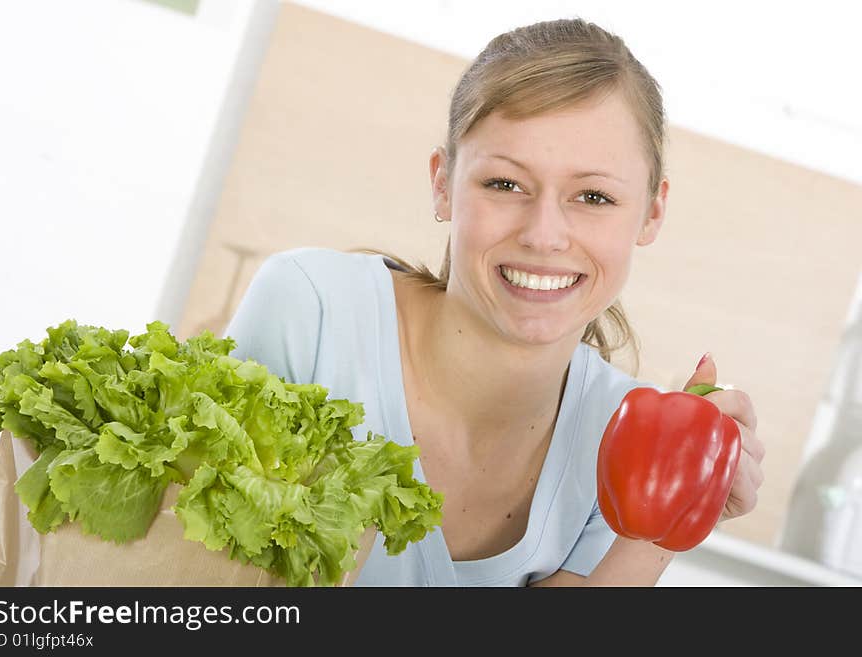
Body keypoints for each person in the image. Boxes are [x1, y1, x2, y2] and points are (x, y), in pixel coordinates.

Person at [223, 17, 765, 586]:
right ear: (443, 182)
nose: (544, 234)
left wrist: (668, 524)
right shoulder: (311, 313)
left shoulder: (633, 435)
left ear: (651, 213)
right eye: (505, 184)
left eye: (594, 196)